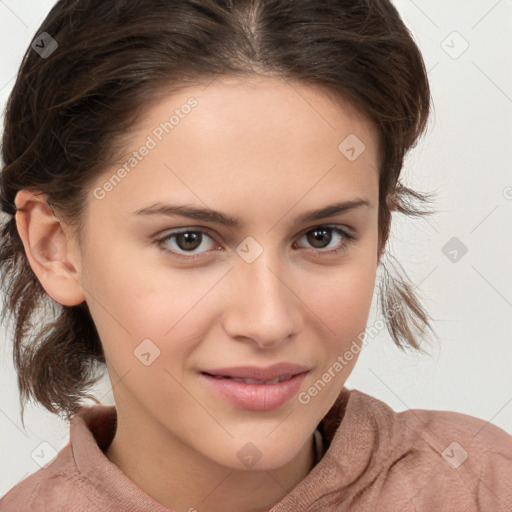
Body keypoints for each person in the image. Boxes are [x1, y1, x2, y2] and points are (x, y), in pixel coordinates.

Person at [0, 0, 510, 511]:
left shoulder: (485, 485)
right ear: (56, 248)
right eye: (189, 240)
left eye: (321, 236)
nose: (268, 322)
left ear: (380, 232)